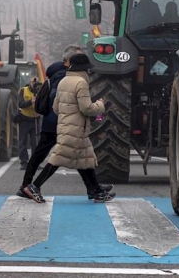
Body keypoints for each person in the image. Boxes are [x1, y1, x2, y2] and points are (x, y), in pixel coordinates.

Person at [21, 53, 116, 204]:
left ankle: (97, 191)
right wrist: (100, 105)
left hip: (66, 125)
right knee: (58, 158)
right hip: (76, 127)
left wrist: (67, 114)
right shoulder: (81, 83)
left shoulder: (64, 81)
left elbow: (56, 107)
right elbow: (87, 108)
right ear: (84, 69)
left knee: (86, 159)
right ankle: (34, 186)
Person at [16, 77, 41, 170]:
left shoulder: (40, 92)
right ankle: (24, 162)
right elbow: (20, 104)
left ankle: (35, 162)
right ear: (30, 83)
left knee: (35, 142)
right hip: (24, 120)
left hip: (35, 120)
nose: (35, 85)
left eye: (37, 83)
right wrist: (31, 102)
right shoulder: (23, 90)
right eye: (34, 82)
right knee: (23, 141)